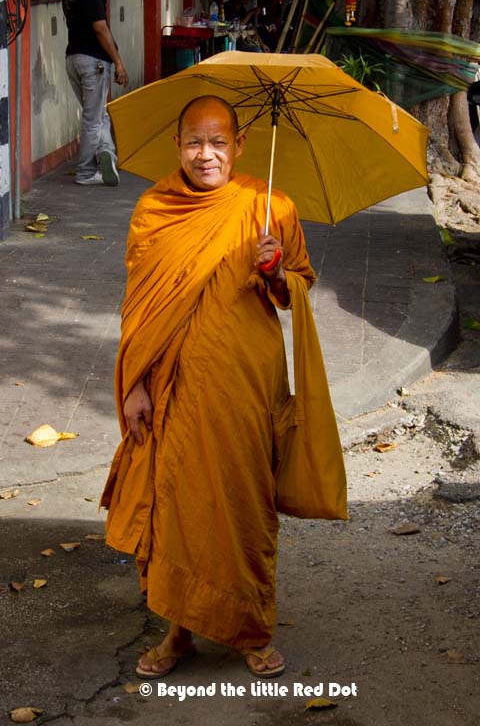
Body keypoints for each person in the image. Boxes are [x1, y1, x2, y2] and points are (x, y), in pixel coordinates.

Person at [100, 96, 346, 679]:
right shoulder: (155, 209)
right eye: (194, 142)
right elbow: (140, 308)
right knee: (175, 505)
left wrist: (276, 271)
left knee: (243, 502)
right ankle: (178, 631)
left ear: (239, 146)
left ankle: (251, 630)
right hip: (172, 384)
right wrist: (134, 386)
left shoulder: (271, 206)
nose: (205, 154)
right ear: (177, 145)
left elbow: (299, 284)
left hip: (245, 383)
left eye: (217, 143)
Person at [59, 0, 129, 186]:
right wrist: (118, 63)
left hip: (73, 58)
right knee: (93, 118)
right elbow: (100, 29)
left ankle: (106, 153)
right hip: (94, 62)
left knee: (98, 113)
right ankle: (86, 172)